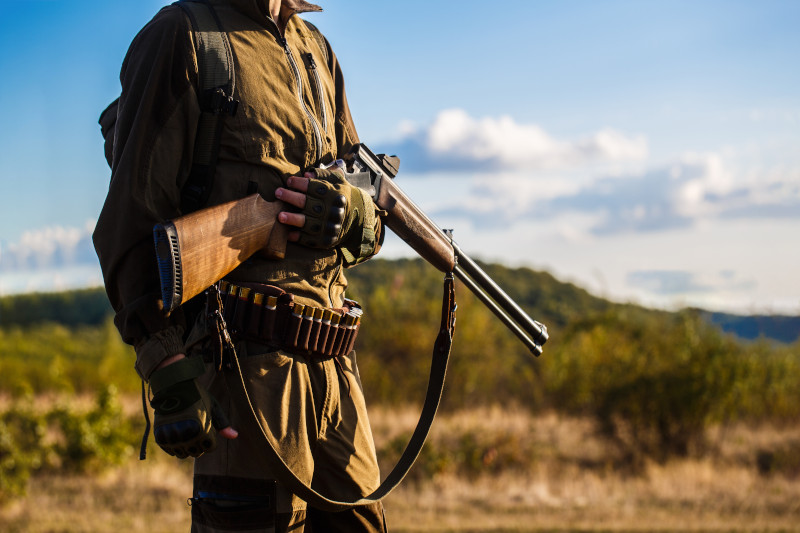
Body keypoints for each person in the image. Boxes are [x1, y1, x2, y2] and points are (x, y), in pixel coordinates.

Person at [93, 0, 388, 531]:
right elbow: (129, 221)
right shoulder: (182, 36)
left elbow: (356, 180)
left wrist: (356, 216)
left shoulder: (315, 47)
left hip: (335, 362)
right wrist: (166, 367)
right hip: (246, 372)